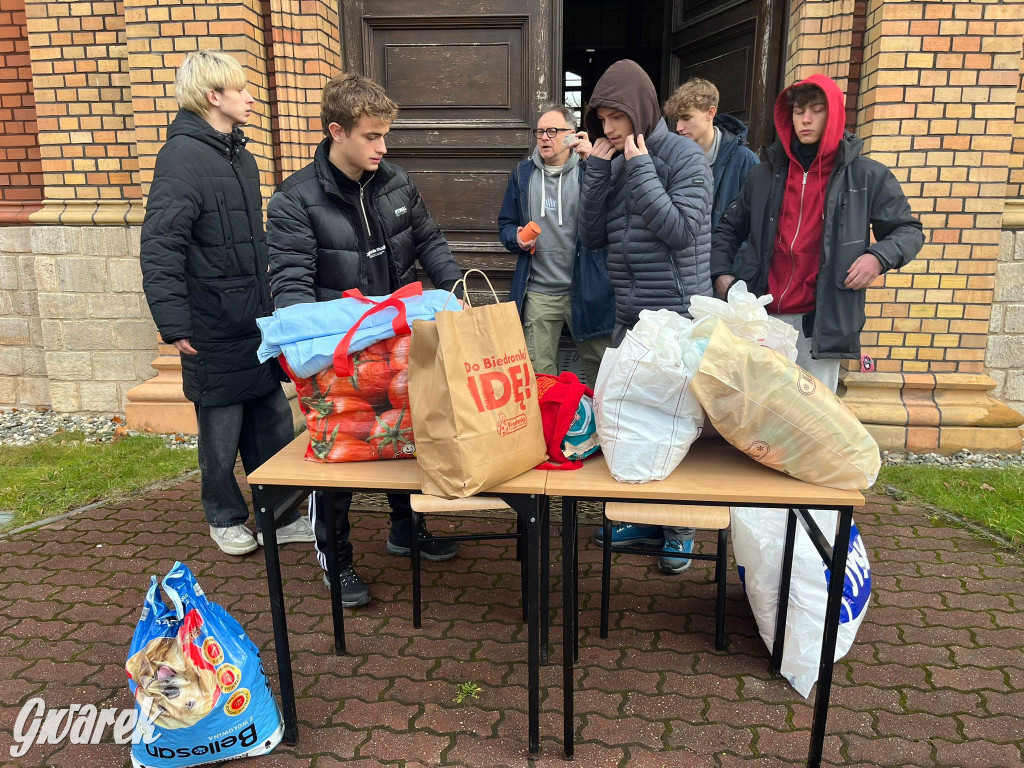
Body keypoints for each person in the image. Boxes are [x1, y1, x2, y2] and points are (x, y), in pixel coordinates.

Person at [267, 73, 464, 608]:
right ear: (337, 131)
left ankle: (406, 530)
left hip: (398, 341)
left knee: (406, 432)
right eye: (372, 136)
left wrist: (458, 292)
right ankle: (338, 561)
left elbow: (430, 241)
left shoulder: (396, 181)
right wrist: (309, 353)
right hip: (341, 356)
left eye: (385, 135)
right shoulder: (294, 201)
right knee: (340, 456)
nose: (383, 146)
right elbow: (289, 284)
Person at [140, 50, 314, 556]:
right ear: (214, 96)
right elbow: (161, 244)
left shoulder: (240, 155)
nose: (251, 96)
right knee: (220, 430)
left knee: (272, 420)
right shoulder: (182, 157)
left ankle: (280, 516)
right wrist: (173, 322)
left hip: (252, 319)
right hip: (211, 322)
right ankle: (225, 517)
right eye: (241, 89)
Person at [576, 59, 713, 574]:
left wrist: (638, 167)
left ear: (639, 109)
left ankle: (679, 529)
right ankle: (643, 516)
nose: (608, 128)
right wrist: (596, 168)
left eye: (616, 117)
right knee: (633, 417)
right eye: (602, 118)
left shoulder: (685, 157)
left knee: (676, 422)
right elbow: (591, 236)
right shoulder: (610, 155)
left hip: (676, 317)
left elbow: (680, 231)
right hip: (631, 314)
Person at [711, 73, 924, 393]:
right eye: (799, 112)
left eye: (816, 110)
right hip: (763, 315)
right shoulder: (763, 174)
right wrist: (720, 272)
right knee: (759, 416)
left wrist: (878, 258)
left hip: (821, 321)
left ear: (833, 114)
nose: (806, 119)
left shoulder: (867, 175)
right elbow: (728, 228)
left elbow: (908, 231)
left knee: (814, 420)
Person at [497, 104, 614, 387]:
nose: (544, 138)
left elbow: (612, 222)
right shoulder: (522, 174)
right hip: (539, 291)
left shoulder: (589, 171)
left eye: (552, 131)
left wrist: (596, 166)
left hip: (585, 289)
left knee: (603, 369)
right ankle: (549, 429)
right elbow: (505, 225)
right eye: (540, 132)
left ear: (571, 135)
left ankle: (606, 426)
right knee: (540, 376)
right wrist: (517, 238)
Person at [664, 77, 759, 273]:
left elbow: (759, 227)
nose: (679, 127)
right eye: (677, 119)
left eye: (686, 118)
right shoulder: (671, 159)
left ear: (710, 113)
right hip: (684, 275)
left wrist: (734, 273)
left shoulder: (745, 160)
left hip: (728, 276)